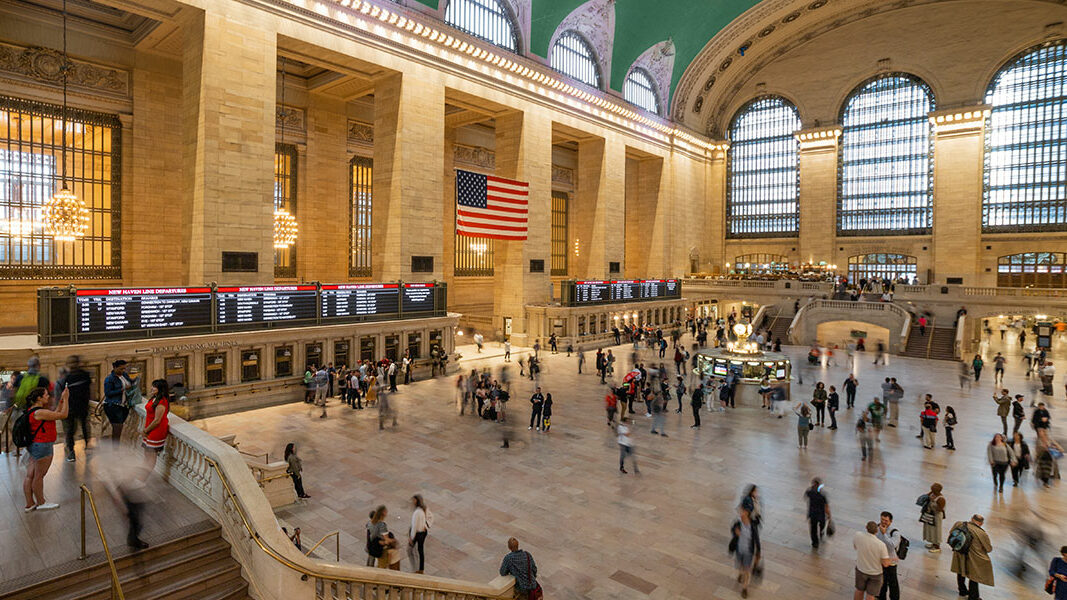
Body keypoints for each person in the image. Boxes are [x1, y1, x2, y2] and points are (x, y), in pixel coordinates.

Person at [21, 386, 67, 512]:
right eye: (46, 395)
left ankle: (30, 504)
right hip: (43, 446)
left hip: (35, 445)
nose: (48, 396)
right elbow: (63, 415)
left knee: (30, 475)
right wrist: (67, 399)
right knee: (39, 476)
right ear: (39, 398)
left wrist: (62, 400)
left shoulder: (35, 410)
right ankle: (41, 503)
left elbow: (56, 414)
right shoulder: (40, 412)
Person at [950, 514, 994, 600]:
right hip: (973, 557)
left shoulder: (959, 524)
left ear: (971, 519)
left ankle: (962, 590)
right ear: (981, 523)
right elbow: (988, 549)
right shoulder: (981, 533)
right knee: (974, 576)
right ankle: (973, 596)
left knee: (960, 571)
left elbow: (951, 534)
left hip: (960, 553)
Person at [62, 355, 92, 462]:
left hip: (77, 407)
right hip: (76, 408)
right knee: (74, 429)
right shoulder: (70, 377)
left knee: (78, 428)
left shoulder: (73, 377)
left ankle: (79, 449)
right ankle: (76, 449)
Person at [854, 521, 891, 600]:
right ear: (877, 531)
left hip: (861, 569)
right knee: (870, 596)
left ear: (866, 527)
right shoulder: (881, 545)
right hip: (875, 574)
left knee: (859, 590)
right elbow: (885, 564)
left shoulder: (858, 535)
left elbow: (855, 547)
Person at [729, 505, 761, 598]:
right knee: (740, 566)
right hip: (739, 550)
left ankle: (745, 588)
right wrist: (735, 532)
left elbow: (756, 540)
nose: (740, 512)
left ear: (747, 513)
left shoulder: (752, 526)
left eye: (742, 510)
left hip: (748, 552)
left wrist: (758, 552)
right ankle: (740, 573)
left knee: (747, 570)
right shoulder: (737, 522)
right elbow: (732, 529)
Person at [141, 379, 170, 474]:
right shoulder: (154, 398)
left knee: (151, 455)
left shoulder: (162, 401)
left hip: (156, 430)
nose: (152, 388)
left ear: (160, 389)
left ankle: (143, 478)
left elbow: (157, 420)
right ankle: (142, 475)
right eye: (152, 386)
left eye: (154, 387)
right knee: (146, 454)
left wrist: (146, 430)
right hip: (149, 428)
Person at [102, 359, 133, 444]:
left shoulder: (125, 375)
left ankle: (116, 447)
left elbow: (130, 383)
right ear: (114, 368)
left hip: (123, 406)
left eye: (124, 369)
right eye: (121, 369)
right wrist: (122, 389)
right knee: (117, 428)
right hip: (113, 406)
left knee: (119, 427)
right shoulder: (109, 379)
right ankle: (115, 448)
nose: (123, 371)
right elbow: (108, 393)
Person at [875, 512, 901, 600]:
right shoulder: (877, 527)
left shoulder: (895, 532)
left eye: (886, 520)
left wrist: (884, 534)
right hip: (880, 561)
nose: (883, 522)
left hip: (891, 562)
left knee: (893, 583)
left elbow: (892, 545)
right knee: (882, 582)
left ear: (891, 521)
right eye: (882, 519)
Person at [408, 494, 432, 574]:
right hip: (423, 532)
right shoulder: (423, 509)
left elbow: (414, 526)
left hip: (418, 533)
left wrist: (411, 537)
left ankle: (416, 569)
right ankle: (420, 568)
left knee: (411, 550)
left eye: (413, 500)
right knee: (419, 550)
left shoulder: (418, 512)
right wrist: (426, 526)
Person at [804, 478, 830, 549]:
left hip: (813, 514)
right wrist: (829, 515)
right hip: (820, 514)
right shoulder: (822, 495)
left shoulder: (810, 492)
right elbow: (826, 506)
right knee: (819, 526)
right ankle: (819, 537)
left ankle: (815, 542)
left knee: (814, 528)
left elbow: (806, 496)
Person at [920, 483, 946, 552]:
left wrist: (932, 504)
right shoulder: (932, 494)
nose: (932, 491)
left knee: (936, 530)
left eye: (933, 490)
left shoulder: (941, 499)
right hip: (930, 515)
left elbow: (940, 509)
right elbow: (925, 496)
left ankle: (937, 546)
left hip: (936, 516)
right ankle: (933, 543)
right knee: (931, 529)